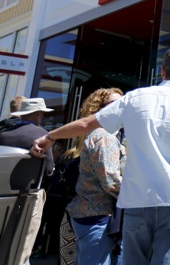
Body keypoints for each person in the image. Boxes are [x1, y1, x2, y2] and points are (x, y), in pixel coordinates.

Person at [31, 47, 170, 265]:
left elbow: (86, 124)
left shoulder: (135, 98)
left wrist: (50, 136)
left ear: (162, 71)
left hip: (137, 200)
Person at [66, 88, 126, 265]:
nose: (122, 108)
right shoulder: (104, 137)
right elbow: (111, 181)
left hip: (95, 215)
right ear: (100, 109)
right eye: (115, 104)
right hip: (97, 217)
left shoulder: (110, 136)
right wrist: (141, 194)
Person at [0, 97, 55, 265]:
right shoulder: (41, 134)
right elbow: (49, 170)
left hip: (2, 195)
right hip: (28, 197)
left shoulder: (2, 132)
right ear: (37, 114)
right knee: (23, 244)